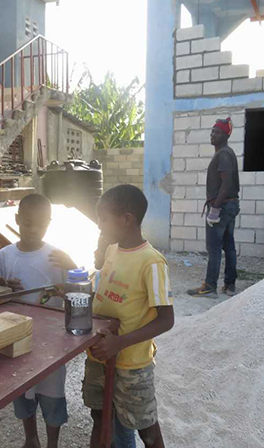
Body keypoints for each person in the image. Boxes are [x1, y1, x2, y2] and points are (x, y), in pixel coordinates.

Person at [84, 185, 174, 448]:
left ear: (126, 220)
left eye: (103, 218)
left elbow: (166, 320)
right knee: (99, 416)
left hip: (132, 365)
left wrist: (120, 343)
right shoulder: (113, 249)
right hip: (99, 355)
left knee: (145, 427)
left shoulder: (151, 262)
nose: (99, 224)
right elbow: (103, 280)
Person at [0, 194, 75, 448]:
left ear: (50, 222)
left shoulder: (59, 257)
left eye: (41, 224)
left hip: (51, 344)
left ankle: (52, 444)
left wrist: (71, 268)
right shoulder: (5, 257)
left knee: (52, 396)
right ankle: (31, 438)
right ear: (16, 220)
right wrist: (5, 288)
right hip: (17, 341)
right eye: (27, 223)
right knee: (23, 394)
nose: (34, 229)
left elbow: (80, 293)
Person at [188, 118, 240, 298]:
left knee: (215, 248)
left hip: (222, 206)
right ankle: (230, 285)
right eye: (212, 131)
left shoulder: (224, 154)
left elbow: (226, 184)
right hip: (230, 205)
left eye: (217, 132)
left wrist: (215, 209)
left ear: (226, 135)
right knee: (228, 245)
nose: (212, 135)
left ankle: (210, 287)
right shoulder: (227, 152)